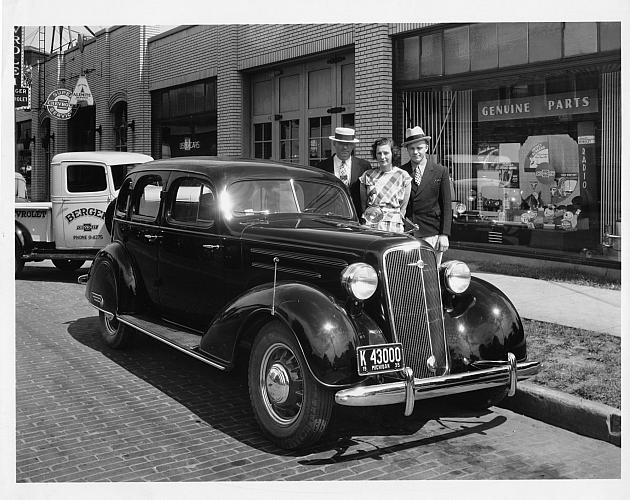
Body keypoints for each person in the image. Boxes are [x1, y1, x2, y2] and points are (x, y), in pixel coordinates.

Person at [401, 126, 452, 265]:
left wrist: (444, 234)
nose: (416, 152)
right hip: (407, 233)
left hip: (432, 233)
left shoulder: (440, 171)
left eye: (419, 148)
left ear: (426, 148)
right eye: (412, 149)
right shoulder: (401, 172)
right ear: (407, 150)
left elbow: (446, 205)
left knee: (431, 275)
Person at [359, 138, 411, 233]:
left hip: (394, 226)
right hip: (371, 225)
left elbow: (403, 208)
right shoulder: (367, 175)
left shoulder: (403, 176)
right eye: (379, 153)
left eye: (386, 153)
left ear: (393, 153)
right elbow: (363, 204)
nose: (382, 157)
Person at [317, 127, 371, 217]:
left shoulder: (364, 166)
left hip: (356, 218)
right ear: (334, 143)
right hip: (330, 217)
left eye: (349, 144)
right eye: (341, 143)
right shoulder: (322, 167)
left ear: (353, 145)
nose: (345, 147)